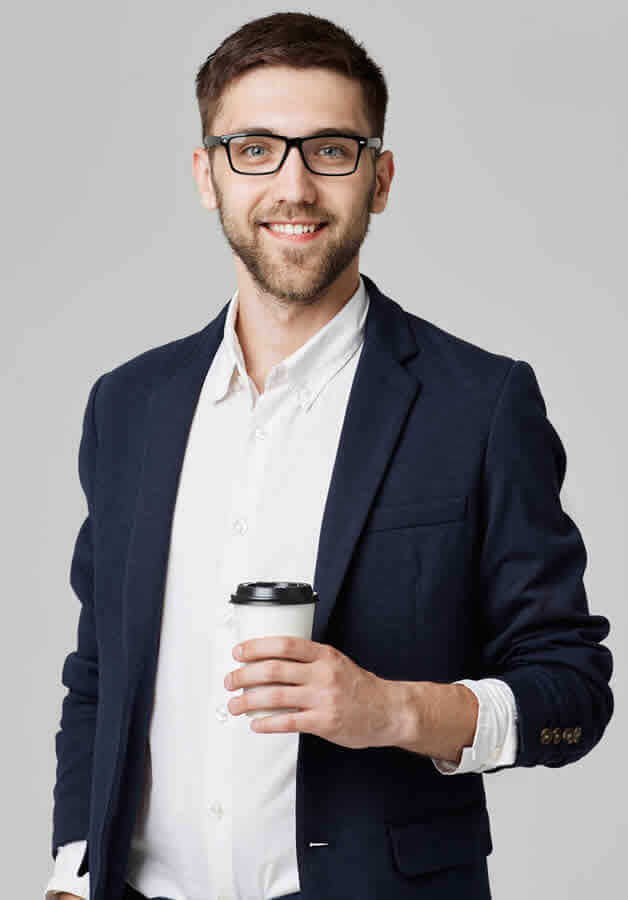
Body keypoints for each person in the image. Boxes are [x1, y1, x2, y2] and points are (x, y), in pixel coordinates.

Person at [46, 11, 614, 900]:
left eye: (331, 151)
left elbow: (572, 694)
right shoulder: (127, 406)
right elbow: (98, 676)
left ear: (379, 179)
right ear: (206, 175)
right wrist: (71, 874)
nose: (295, 186)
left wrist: (396, 710)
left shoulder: (480, 404)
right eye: (254, 150)